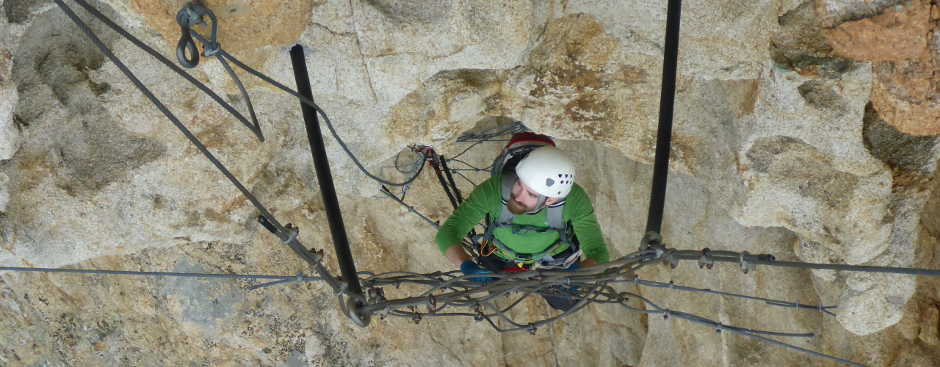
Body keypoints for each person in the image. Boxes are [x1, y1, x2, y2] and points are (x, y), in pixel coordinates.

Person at [434, 132, 610, 311]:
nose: (517, 196)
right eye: (519, 183)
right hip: (499, 252)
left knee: (567, 303)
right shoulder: (496, 188)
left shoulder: (574, 200)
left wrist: (577, 274)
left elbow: (598, 253)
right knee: (492, 286)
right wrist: (466, 264)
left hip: (553, 262)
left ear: (551, 200)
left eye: (531, 194)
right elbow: (447, 234)